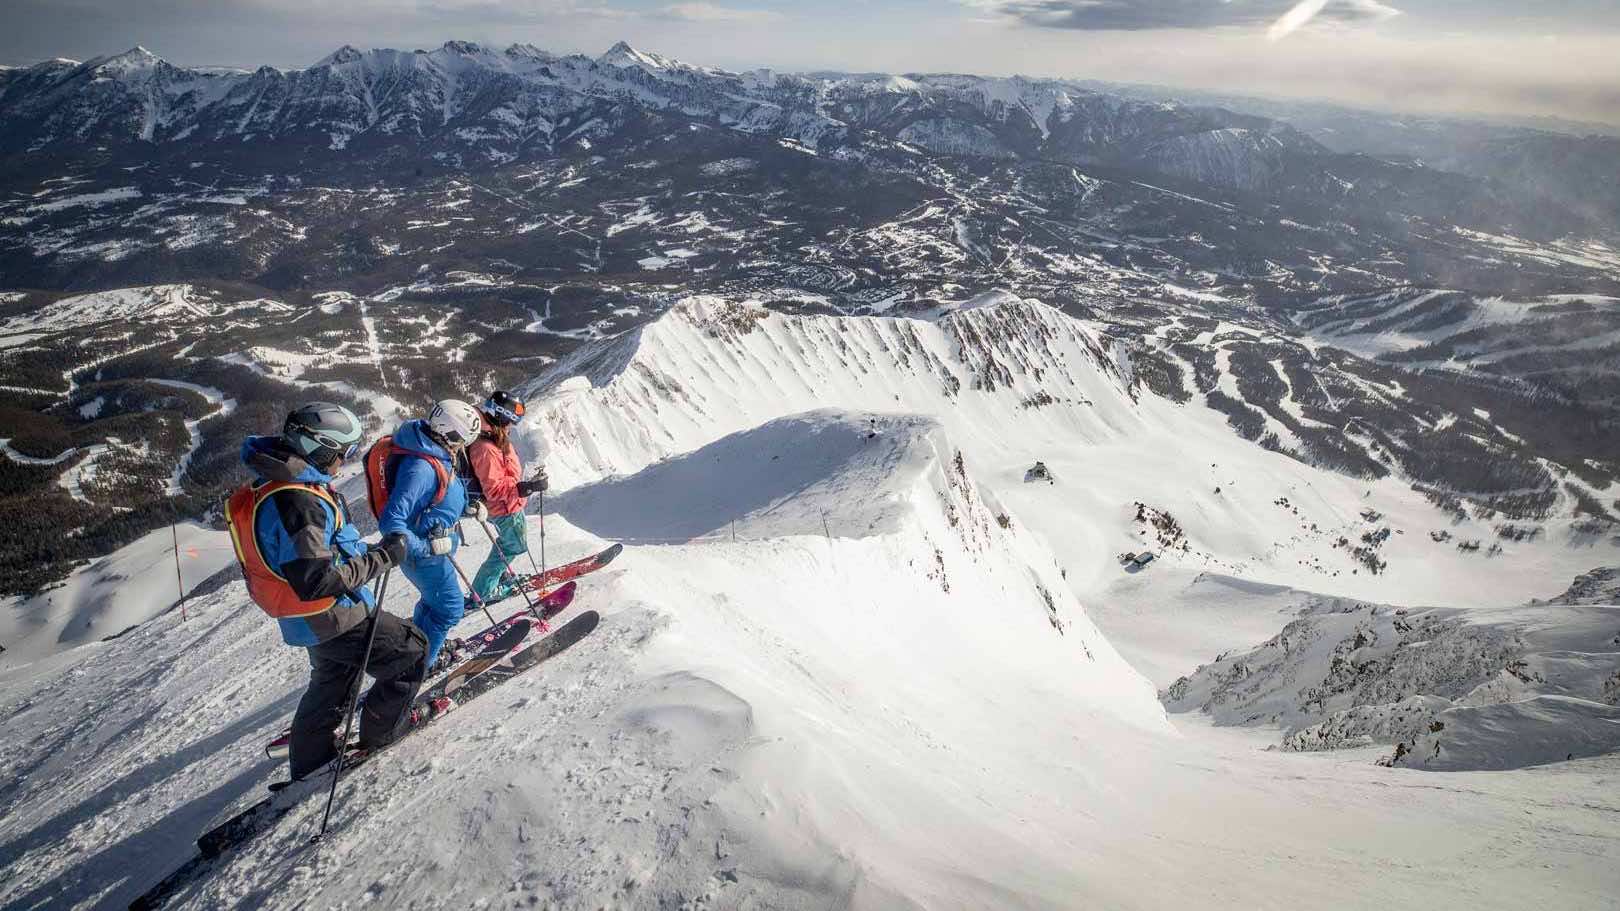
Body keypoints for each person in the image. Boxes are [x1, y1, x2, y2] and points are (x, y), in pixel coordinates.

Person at [227, 402, 423, 780]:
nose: (344, 461)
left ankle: (310, 763)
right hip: (332, 615)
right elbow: (317, 581)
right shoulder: (300, 501)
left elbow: (318, 554)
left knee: (333, 683)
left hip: (303, 618)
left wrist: (368, 553)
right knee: (411, 652)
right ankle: (384, 736)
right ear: (319, 447)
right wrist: (383, 557)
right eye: (343, 452)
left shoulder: (277, 481)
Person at [376, 399, 478, 672]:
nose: (465, 446)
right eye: (465, 438)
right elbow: (391, 522)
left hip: (432, 549)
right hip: (423, 556)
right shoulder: (420, 466)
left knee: (433, 605)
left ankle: (419, 649)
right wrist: (427, 548)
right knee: (449, 609)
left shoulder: (434, 451)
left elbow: (434, 501)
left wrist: (466, 508)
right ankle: (420, 668)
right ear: (452, 434)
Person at [465, 391, 549, 604]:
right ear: (500, 416)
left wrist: (525, 486)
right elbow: (493, 489)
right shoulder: (485, 447)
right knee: (513, 546)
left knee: (509, 545)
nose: (511, 426)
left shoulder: (493, 435)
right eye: (510, 421)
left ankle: (496, 576)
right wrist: (526, 488)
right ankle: (483, 591)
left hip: (508, 503)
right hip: (503, 506)